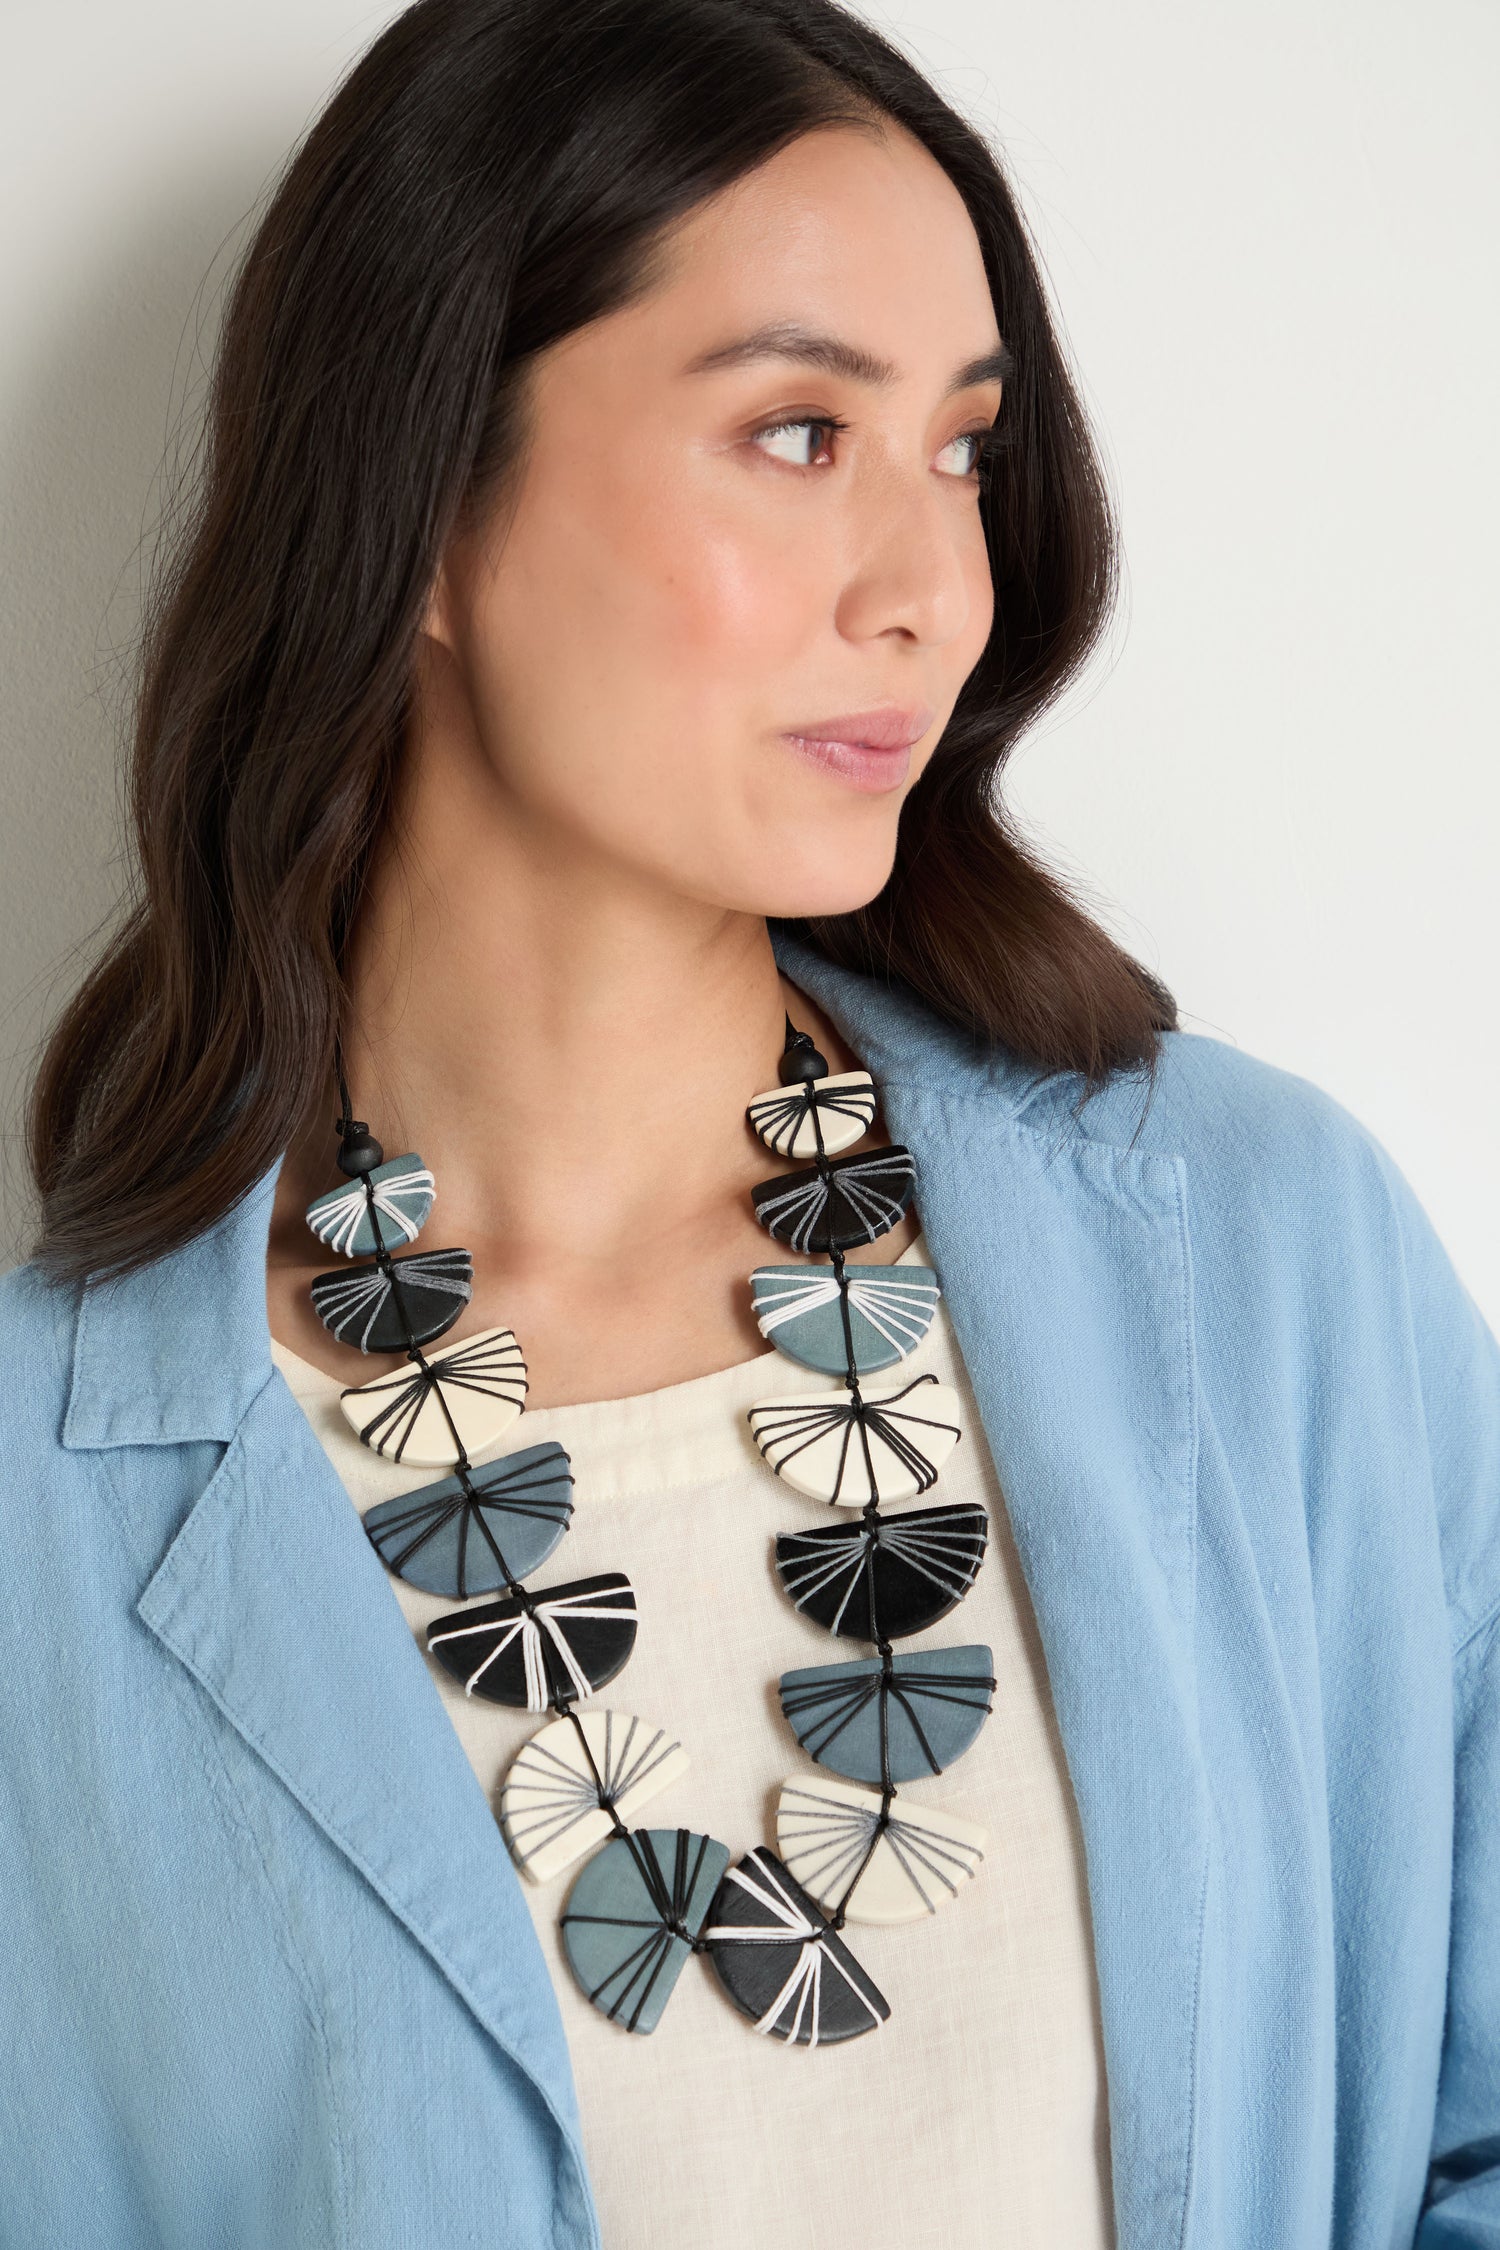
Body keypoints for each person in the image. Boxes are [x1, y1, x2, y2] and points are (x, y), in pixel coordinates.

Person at [3, 0, 1495, 2242]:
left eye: (963, 453)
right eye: (800, 433)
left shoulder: (1270, 1266)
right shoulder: (43, 1516)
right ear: (414, 501)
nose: (932, 591)